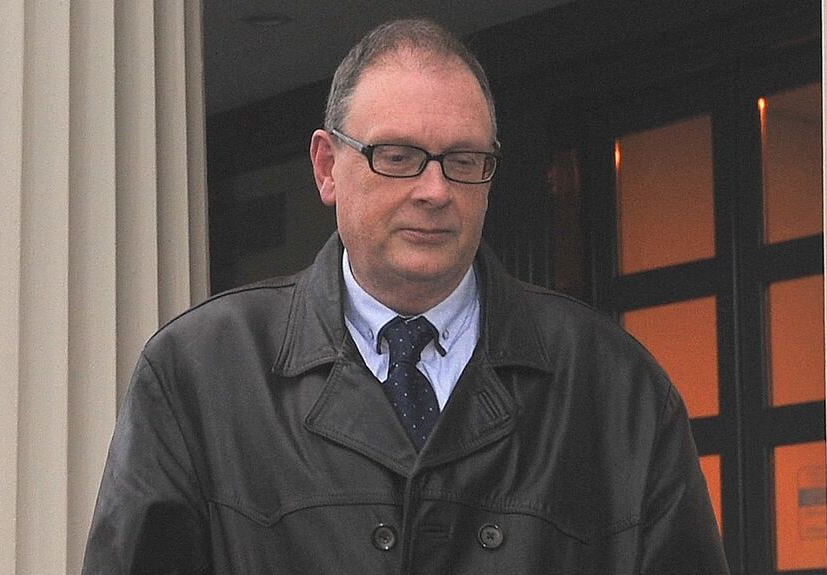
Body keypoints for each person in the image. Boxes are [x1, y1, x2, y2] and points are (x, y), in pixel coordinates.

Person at [83, 18, 729, 574]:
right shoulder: (201, 371)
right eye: (397, 156)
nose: (435, 190)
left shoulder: (611, 382)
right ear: (327, 167)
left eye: (464, 160)